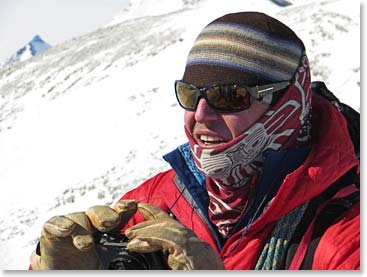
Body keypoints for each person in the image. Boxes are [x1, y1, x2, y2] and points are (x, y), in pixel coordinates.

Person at [30, 12, 360, 270]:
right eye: (191, 94)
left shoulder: (347, 230)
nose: (200, 114)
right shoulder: (157, 202)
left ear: (288, 102)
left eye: (230, 97)